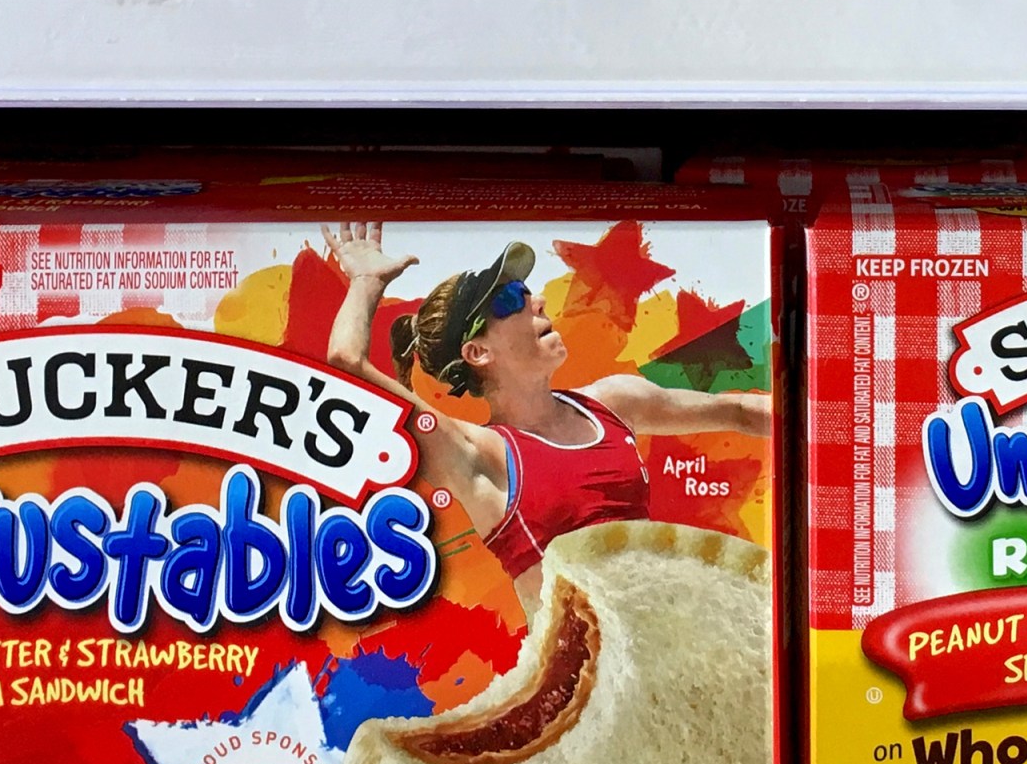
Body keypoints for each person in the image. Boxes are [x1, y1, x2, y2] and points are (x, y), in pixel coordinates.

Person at [320, 223, 772, 609]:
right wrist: (367, 282)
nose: (536, 301)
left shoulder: (613, 402)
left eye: (527, 291)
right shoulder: (480, 456)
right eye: (509, 299)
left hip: (660, 649)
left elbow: (738, 411)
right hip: (581, 679)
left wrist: (815, 421)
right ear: (478, 352)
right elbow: (346, 361)